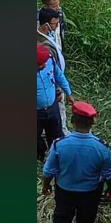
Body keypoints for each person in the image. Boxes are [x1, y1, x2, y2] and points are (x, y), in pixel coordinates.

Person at [42, 101, 111, 223]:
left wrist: (46, 186)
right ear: (92, 123)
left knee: (62, 218)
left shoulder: (59, 145)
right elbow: (109, 173)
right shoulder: (101, 147)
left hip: (65, 191)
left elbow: (48, 171)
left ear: (72, 122)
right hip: (90, 193)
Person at [37, 43, 74, 161]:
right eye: (41, 64)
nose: (45, 65)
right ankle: (40, 155)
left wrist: (69, 93)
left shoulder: (50, 62)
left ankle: (56, 155)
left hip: (52, 107)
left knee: (56, 134)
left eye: (45, 61)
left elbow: (59, 76)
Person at [37, 7, 71, 135]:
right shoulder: (40, 46)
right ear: (46, 25)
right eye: (55, 24)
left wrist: (67, 91)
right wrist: (57, 90)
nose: (57, 27)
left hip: (53, 87)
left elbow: (56, 71)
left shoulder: (47, 37)